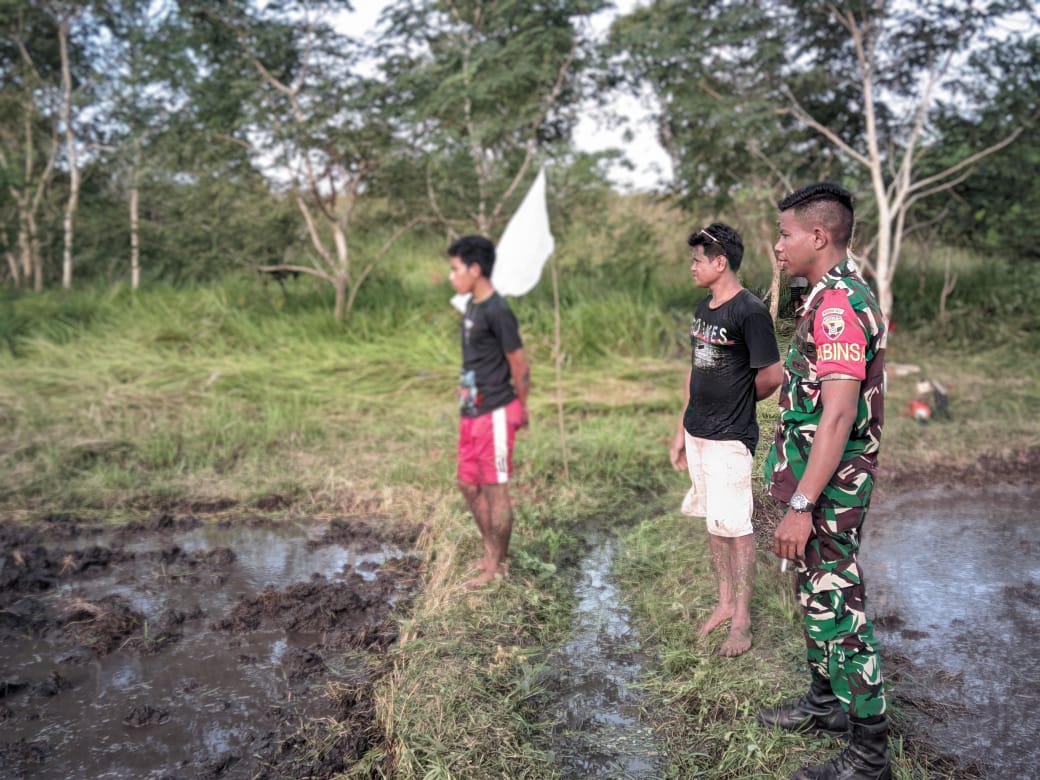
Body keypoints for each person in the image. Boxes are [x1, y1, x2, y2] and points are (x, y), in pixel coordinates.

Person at [759, 183, 890, 780]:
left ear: (819, 236)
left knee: (841, 606)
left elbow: (837, 415)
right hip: (813, 480)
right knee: (814, 591)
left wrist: (803, 503)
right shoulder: (822, 295)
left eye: (785, 234)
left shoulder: (839, 305)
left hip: (830, 489)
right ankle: (826, 705)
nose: (778, 244)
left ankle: (869, 758)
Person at [669, 222, 782, 657]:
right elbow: (695, 369)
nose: (692, 266)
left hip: (730, 437)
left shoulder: (749, 311)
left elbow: (771, 375)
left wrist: (737, 397)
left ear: (720, 262)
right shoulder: (704, 309)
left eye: (698, 259)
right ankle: (723, 602)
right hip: (698, 431)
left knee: (738, 528)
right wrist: (681, 428)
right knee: (715, 523)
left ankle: (742, 620)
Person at [448, 235, 530, 589]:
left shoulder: (498, 310)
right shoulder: (472, 306)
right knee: (467, 484)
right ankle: (491, 550)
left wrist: (520, 407)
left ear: (475, 269)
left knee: (496, 490)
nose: (452, 276)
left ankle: (496, 565)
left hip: (496, 411)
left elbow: (519, 363)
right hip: (472, 410)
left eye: (455, 269)